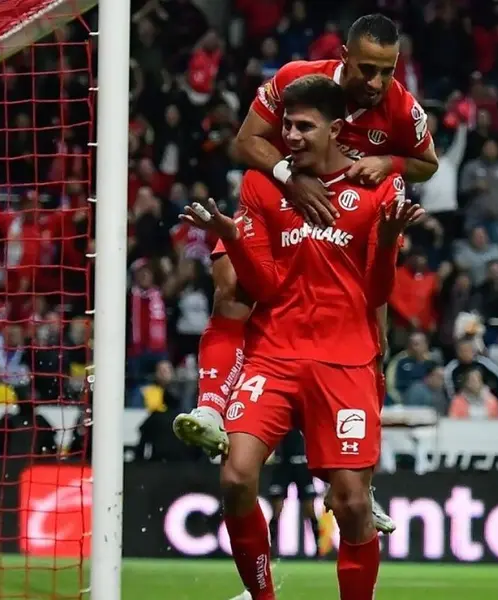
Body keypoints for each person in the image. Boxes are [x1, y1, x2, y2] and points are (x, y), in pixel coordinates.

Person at [173, 12, 436, 532]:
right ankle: (210, 406)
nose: (376, 82)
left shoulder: (402, 107)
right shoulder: (297, 79)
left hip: (349, 224)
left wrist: (390, 165)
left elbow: (427, 161)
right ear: (344, 56)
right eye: (367, 69)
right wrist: (288, 176)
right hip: (276, 200)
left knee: (372, 329)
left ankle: (363, 478)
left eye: (387, 70)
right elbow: (246, 140)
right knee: (232, 290)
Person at [265, 431, 321, 552]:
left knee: (310, 509)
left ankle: (318, 549)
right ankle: (271, 548)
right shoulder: (281, 417)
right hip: (283, 463)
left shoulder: (305, 416)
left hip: (302, 463)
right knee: (277, 509)